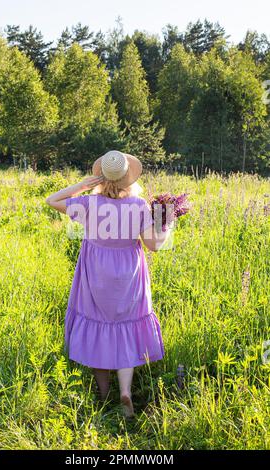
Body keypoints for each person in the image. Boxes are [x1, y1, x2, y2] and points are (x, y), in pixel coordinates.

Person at [46, 150, 172, 418]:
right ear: (129, 176)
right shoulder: (138, 205)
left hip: (96, 274)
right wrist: (167, 224)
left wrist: (81, 186)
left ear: (100, 176)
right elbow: (154, 246)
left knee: (97, 324)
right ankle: (125, 391)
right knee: (127, 324)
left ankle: (103, 396)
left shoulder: (90, 204)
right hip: (128, 273)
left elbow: (51, 199)